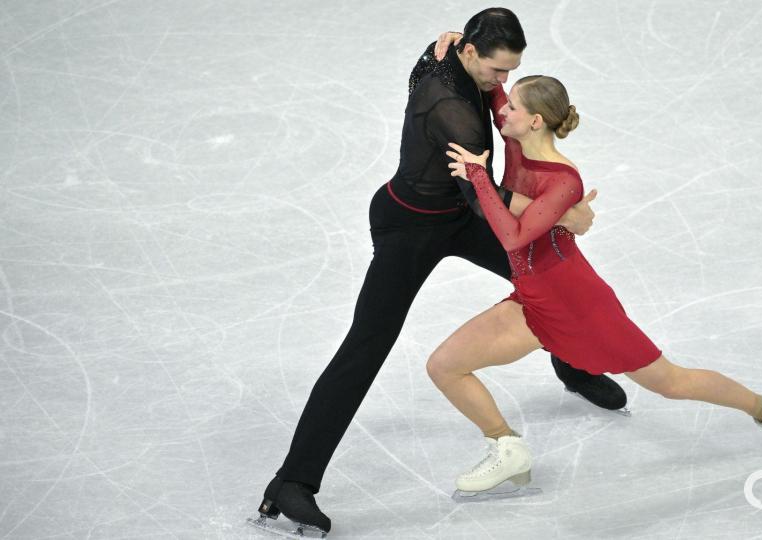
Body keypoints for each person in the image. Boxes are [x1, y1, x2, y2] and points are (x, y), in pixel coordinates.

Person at [253, 9, 628, 536]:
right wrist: (562, 211)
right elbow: (480, 197)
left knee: (549, 280)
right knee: (368, 343)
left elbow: (419, 76)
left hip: (459, 215)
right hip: (410, 227)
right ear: (472, 54)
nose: (505, 86)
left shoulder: (450, 56)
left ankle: (573, 365)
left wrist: (444, 46)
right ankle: (292, 483)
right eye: (499, 73)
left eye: (512, 72)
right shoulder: (454, 110)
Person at [429, 75, 762, 495]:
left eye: (512, 107)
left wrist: (478, 176)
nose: (502, 113)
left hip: (577, 302)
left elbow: (514, 237)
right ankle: (505, 446)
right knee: (444, 365)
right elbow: (494, 91)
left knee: (670, 382)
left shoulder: (565, 180)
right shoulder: (516, 142)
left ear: (534, 121)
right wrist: (460, 50)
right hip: (532, 298)